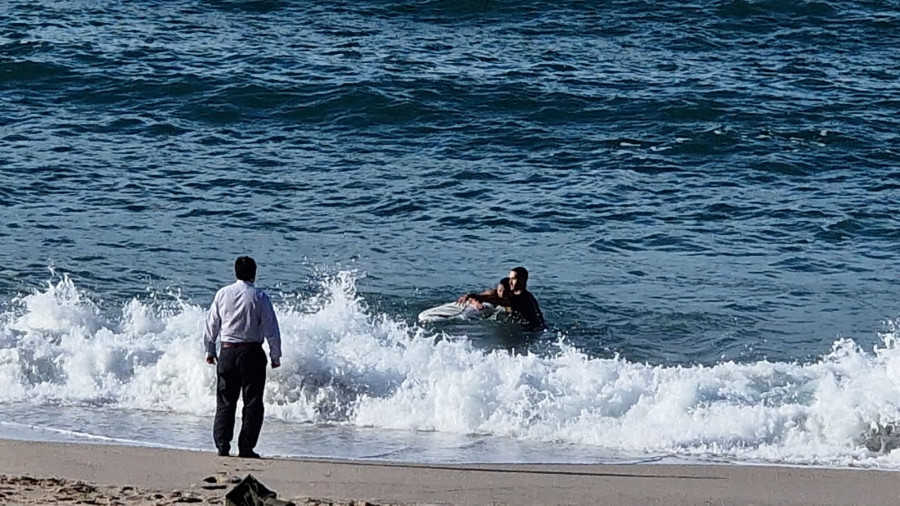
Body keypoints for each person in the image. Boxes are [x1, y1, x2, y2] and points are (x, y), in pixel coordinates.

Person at [203, 256, 281, 459]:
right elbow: (271, 328)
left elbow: (211, 325)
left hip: (227, 351)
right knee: (253, 402)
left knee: (225, 401)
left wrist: (210, 350)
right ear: (254, 274)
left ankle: (222, 445)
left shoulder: (223, 294)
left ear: (236, 272)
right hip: (252, 353)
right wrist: (275, 355)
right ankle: (246, 446)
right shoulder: (260, 297)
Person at [459, 267, 546, 330]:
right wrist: (473, 299)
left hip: (532, 332)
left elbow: (498, 300)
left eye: (513, 279)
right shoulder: (523, 295)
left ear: (522, 280)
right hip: (530, 329)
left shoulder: (523, 299)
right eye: (510, 278)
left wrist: (471, 296)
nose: (510, 282)